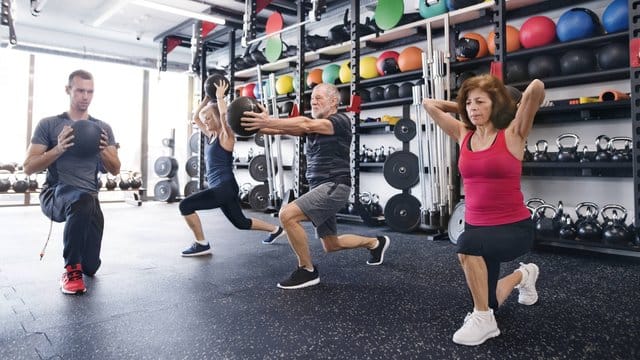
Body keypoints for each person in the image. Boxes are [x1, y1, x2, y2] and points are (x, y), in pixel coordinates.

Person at [422, 74, 545, 346]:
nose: (473, 107)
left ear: (497, 105)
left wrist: (503, 106)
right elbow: (429, 104)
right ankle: (524, 275)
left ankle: (483, 320)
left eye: (480, 102)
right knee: (490, 300)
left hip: (513, 228)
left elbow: (536, 86)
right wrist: (467, 107)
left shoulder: (514, 133)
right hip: (479, 228)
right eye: (469, 103)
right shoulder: (463, 134)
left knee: (467, 246)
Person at [241, 83, 391, 289]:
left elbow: (305, 125)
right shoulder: (313, 127)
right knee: (331, 244)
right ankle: (375, 243)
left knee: (287, 215)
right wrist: (253, 123)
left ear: (334, 101)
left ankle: (307, 270)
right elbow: (274, 128)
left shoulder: (339, 121)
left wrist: (268, 120)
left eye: (319, 97)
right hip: (320, 188)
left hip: (334, 185)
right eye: (312, 98)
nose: (313, 100)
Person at [23, 69, 121, 295]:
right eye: (79, 91)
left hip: (90, 199)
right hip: (56, 194)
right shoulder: (48, 124)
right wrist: (59, 148)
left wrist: (102, 150)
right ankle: (70, 270)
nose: (85, 96)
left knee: (91, 267)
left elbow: (115, 170)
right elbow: (28, 167)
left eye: (90, 92)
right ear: (68, 90)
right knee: (81, 200)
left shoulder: (103, 128)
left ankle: (80, 266)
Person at [179, 80, 284, 256]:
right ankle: (276, 230)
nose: (205, 122)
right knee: (240, 222)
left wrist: (220, 97)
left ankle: (201, 243)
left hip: (223, 187)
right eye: (205, 120)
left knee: (185, 206)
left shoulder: (225, 135)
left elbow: (223, 116)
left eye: (208, 118)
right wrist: (207, 97)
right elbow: (196, 117)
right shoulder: (210, 135)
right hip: (224, 188)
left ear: (216, 119)